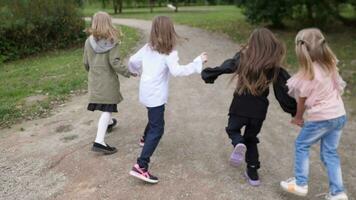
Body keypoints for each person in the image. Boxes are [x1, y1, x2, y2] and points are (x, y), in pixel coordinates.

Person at [201, 28, 296, 186]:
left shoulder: (242, 58)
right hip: (259, 111)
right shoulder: (273, 67)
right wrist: (293, 110)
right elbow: (282, 92)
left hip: (240, 106)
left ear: (252, 43)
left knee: (233, 130)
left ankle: (238, 143)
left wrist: (210, 73)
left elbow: (227, 66)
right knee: (251, 139)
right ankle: (253, 175)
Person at [128, 16, 207, 184]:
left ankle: (144, 138)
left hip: (146, 92)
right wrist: (197, 61)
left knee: (153, 116)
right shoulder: (169, 53)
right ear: (170, 31)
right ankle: (141, 166)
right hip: (156, 95)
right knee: (158, 129)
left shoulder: (148, 48)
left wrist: (135, 71)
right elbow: (178, 71)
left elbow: (132, 61)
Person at [280, 28, 348, 200]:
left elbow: (301, 103)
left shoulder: (306, 75)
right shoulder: (330, 64)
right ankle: (338, 192)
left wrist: (298, 117)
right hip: (339, 114)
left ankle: (300, 183)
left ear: (300, 48)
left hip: (322, 118)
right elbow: (336, 86)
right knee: (330, 153)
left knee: (302, 144)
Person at [83, 11, 133, 154]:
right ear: (108, 22)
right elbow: (114, 62)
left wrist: (92, 70)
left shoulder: (88, 41)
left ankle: (109, 124)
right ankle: (99, 142)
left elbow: (85, 62)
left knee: (105, 106)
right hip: (108, 80)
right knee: (108, 108)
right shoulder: (113, 40)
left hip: (95, 79)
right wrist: (128, 72)